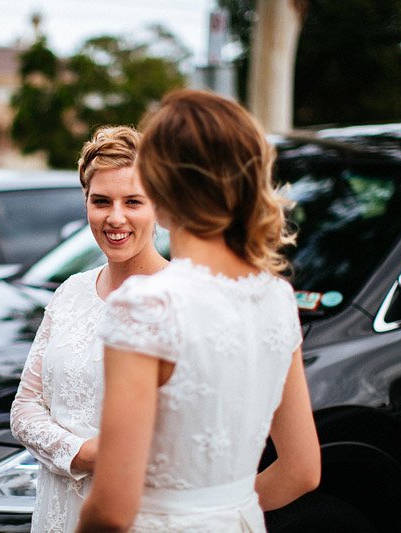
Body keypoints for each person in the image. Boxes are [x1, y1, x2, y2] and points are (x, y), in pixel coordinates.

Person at [77, 90, 321, 533]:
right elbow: (303, 470)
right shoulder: (276, 297)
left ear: (159, 184)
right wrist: (219, 514)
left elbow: (112, 509)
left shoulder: (146, 305)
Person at [10, 125, 168, 533]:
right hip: (59, 510)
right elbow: (24, 408)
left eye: (133, 201)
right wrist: (78, 453)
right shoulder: (71, 292)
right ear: (86, 204)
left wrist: (112, 458)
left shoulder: (181, 301)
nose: (115, 218)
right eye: (101, 202)